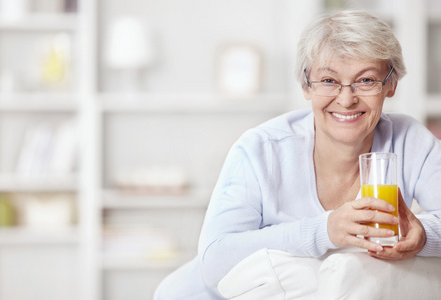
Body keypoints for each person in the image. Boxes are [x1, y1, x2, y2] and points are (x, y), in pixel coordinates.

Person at [155, 10, 441, 299]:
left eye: (366, 80)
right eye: (329, 80)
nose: (346, 99)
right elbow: (214, 262)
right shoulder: (261, 149)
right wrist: (323, 231)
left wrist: (424, 236)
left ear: (390, 84)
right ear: (306, 85)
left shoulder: (410, 141)